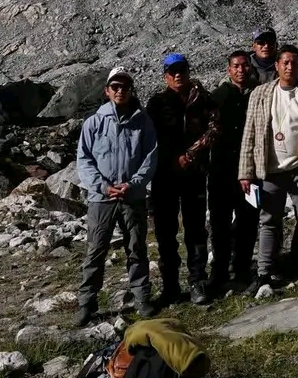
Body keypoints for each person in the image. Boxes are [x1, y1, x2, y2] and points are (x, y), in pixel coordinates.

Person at [238, 43, 298, 296]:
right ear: (276, 66)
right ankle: (263, 273)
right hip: (270, 170)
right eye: (285, 62)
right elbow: (250, 133)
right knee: (268, 222)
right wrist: (245, 172)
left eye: (294, 62)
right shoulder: (260, 94)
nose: (290, 66)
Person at [75, 66, 157, 325]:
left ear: (131, 90)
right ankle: (87, 303)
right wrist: (102, 186)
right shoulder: (94, 123)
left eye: (125, 86)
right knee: (96, 250)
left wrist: (133, 185)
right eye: (115, 87)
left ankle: (142, 297)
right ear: (107, 91)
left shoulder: (142, 121)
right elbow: (84, 159)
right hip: (102, 199)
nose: (120, 91)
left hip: (132, 197)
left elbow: (150, 156)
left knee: (136, 247)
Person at [147, 53, 219, 306]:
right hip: (164, 176)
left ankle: (197, 280)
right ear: (165, 75)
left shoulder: (204, 98)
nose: (178, 75)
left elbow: (214, 128)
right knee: (166, 232)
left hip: (195, 174)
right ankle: (170, 285)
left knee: (196, 229)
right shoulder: (156, 103)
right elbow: (150, 139)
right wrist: (172, 159)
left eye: (182, 70)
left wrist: (191, 154)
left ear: (188, 71)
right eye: (172, 71)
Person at [209, 50, 259, 292]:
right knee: (219, 222)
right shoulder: (217, 96)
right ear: (228, 70)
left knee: (248, 221)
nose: (241, 70)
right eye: (236, 66)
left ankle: (241, 267)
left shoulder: (257, 95)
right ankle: (218, 270)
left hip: (250, 169)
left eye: (245, 66)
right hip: (221, 170)